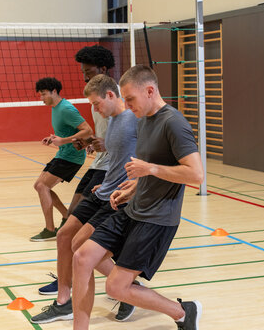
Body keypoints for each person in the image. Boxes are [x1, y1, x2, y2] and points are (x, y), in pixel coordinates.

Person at [71, 65, 204, 330]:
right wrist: (131, 187)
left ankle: (183, 312)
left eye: (130, 98)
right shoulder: (143, 120)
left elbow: (196, 174)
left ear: (150, 91)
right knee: (82, 255)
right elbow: (147, 169)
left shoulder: (174, 123)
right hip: (132, 210)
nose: (127, 104)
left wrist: (150, 169)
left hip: (156, 219)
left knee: (116, 287)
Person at [31, 74, 140, 324]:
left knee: (83, 249)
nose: (94, 109)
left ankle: (126, 289)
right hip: (103, 186)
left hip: (117, 195)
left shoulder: (134, 119)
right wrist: (97, 145)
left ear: (111, 95)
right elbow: (116, 151)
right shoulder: (112, 119)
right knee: (64, 235)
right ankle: (64, 301)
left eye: (96, 103)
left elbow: (146, 156)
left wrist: (133, 184)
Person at [37, 45, 116, 294]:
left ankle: (124, 285)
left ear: (102, 70)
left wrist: (101, 143)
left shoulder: (115, 99)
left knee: (76, 234)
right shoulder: (95, 101)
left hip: (109, 172)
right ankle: (66, 282)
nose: (84, 76)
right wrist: (88, 142)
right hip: (97, 165)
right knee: (69, 231)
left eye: (88, 71)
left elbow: (126, 138)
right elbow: (98, 134)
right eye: (82, 71)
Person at [31, 77, 93, 241]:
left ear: (54, 91)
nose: (41, 98)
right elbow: (67, 132)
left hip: (72, 156)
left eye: (43, 94)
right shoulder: (56, 108)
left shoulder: (66, 109)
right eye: (40, 95)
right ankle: (66, 217)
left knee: (42, 186)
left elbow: (87, 131)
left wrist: (63, 141)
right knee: (40, 186)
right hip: (63, 154)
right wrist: (54, 138)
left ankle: (50, 229)